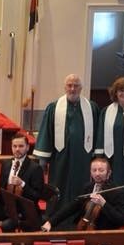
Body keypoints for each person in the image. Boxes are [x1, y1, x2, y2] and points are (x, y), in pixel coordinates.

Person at [34, 74, 99, 206]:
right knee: (58, 185)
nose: (72, 89)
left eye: (76, 86)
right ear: (65, 88)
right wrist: (43, 159)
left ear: (81, 88)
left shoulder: (91, 108)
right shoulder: (54, 107)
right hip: (59, 157)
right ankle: (56, 215)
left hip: (83, 157)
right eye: (69, 85)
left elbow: (97, 132)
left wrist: (97, 156)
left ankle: (79, 214)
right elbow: (46, 132)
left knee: (81, 186)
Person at [42, 156, 124, 232]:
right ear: (90, 172)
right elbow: (71, 207)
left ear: (109, 173)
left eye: (101, 170)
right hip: (83, 227)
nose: (97, 174)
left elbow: (122, 220)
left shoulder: (117, 192)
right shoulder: (88, 187)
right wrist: (50, 222)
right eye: (94, 170)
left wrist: (104, 204)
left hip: (104, 233)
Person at [0, 132, 44, 232]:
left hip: (24, 210)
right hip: (6, 207)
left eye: (21, 146)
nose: (17, 149)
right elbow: (2, 190)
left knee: (6, 225)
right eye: (14, 146)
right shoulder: (6, 164)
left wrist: (22, 184)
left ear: (27, 147)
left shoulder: (35, 168)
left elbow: (37, 196)